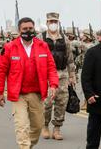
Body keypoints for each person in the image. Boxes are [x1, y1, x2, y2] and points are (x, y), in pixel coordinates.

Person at [0, 17, 59, 149]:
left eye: (30, 28)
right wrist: (0, 92)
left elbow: (51, 68)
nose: (28, 31)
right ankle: (24, 146)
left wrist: (53, 85)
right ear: (19, 30)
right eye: (25, 29)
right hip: (19, 95)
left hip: (37, 94)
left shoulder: (43, 46)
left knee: (37, 126)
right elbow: (1, 71)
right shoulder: (9, 47)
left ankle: (28, 145)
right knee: (22, 126)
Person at [38, 12, 76, 140]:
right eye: (51, 21)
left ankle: (57, 128)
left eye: (55, 21)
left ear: (58, 23)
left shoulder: (64, 39)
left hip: (62, 73)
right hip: (46, 74)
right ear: (47, 23)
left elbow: (70, 59)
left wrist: (72, 76)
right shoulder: (40, 38)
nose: (53, 24)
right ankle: (45, 126)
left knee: (61, 101)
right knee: (47, 102)